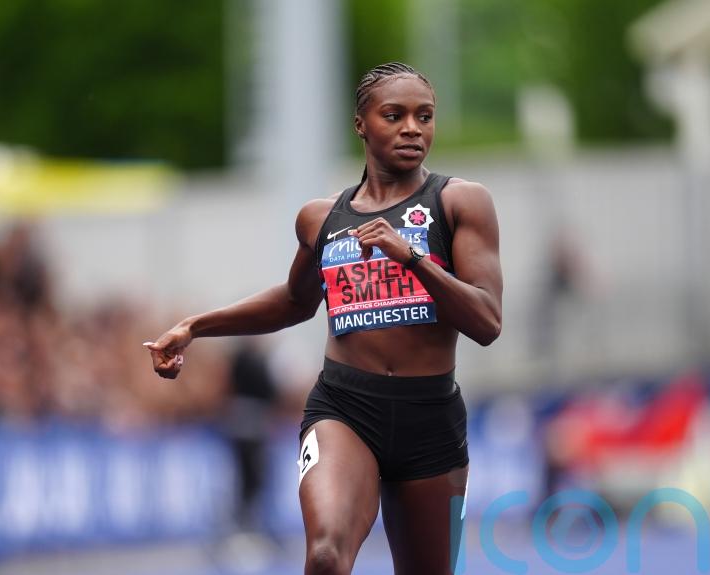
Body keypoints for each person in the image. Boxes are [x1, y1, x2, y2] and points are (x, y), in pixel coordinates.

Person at [144, 62, 503, 575]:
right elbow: (294, 301)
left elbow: (487, 322)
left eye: (424, 117)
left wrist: (413, 259)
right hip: (345, 408)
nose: (412, 129)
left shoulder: (459, 202)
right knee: (326, 555)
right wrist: (196, 326)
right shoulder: (322, 218)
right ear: (361, 123)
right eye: (394, 115)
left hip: (431, 418)